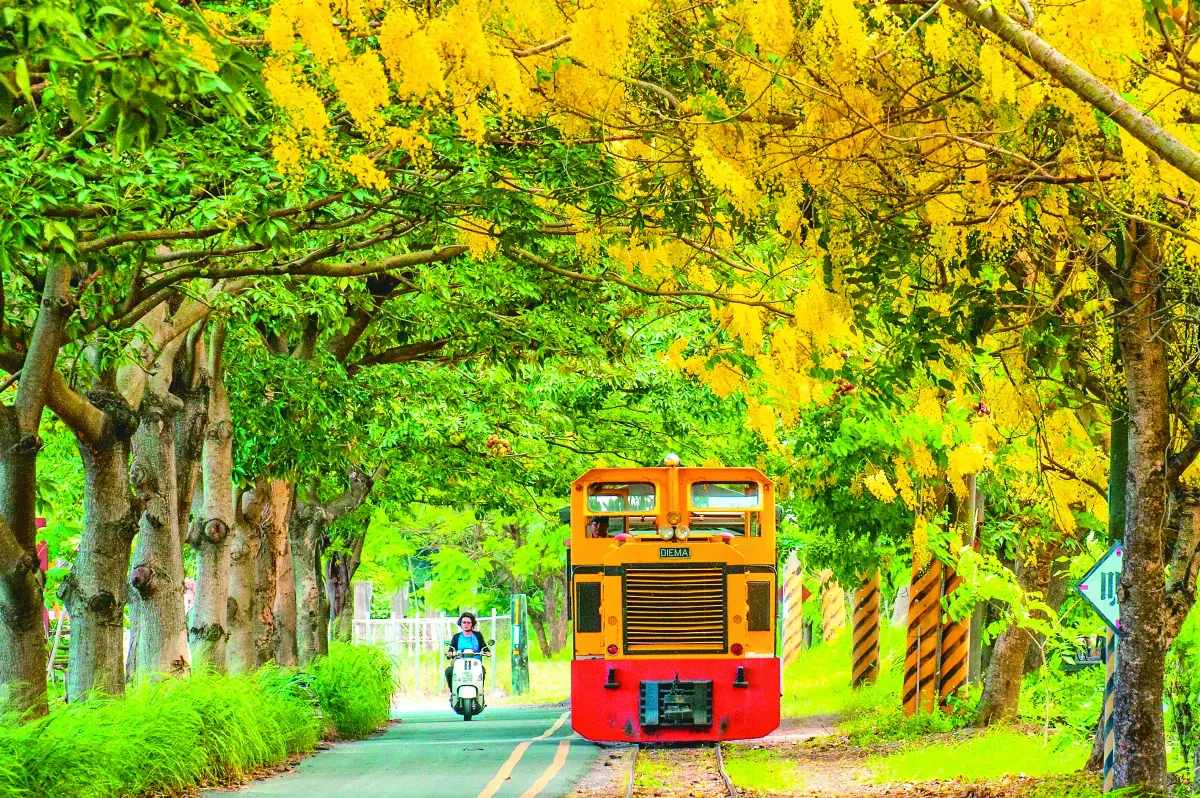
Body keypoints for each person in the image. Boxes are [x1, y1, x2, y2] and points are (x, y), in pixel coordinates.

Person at [445, 612, 491, 693]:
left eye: (469, 622)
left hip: (475, 663)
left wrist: (487, 652)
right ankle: (454, 692)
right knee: (449, 671)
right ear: (460, 624)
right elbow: (451, 649)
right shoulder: (456, 637)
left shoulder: (477, 635)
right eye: (464, 622)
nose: (466, 624)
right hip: (460, 663)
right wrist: (449, 654)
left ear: (472, 624)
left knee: (482, 671)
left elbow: (484, 646)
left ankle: (479, 693)